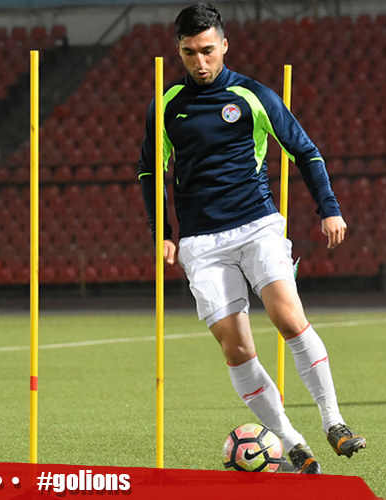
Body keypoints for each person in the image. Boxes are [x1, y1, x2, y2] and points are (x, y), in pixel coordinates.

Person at [137, 2, 365, 474]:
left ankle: (334, 421)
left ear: (224, 45)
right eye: (189, 52)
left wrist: (329, 208)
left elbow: (304, 151)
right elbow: (150, 171)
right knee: (236, 349)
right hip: (202, 242)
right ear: (179, 51)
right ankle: (292, 443)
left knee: (288, 317)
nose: (200, 61)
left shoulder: (254, 95)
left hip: (257, 224)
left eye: (207, 50)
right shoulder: (167, 105)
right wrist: (163, 232)